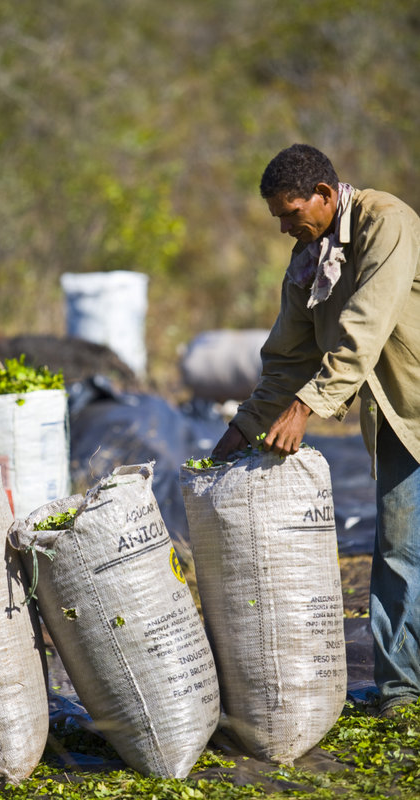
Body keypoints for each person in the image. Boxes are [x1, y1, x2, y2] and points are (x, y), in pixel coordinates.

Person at [212, 143, 420, 718]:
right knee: (400, 550)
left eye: (290, 212)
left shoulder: (387, 223)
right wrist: (242, 429)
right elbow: (287, 357)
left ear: (324, 195)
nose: (283, 227)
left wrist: (306, 408)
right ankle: (402, 693)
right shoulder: (311, 259)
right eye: (277, 217)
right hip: (400, 417)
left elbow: (364, 327)